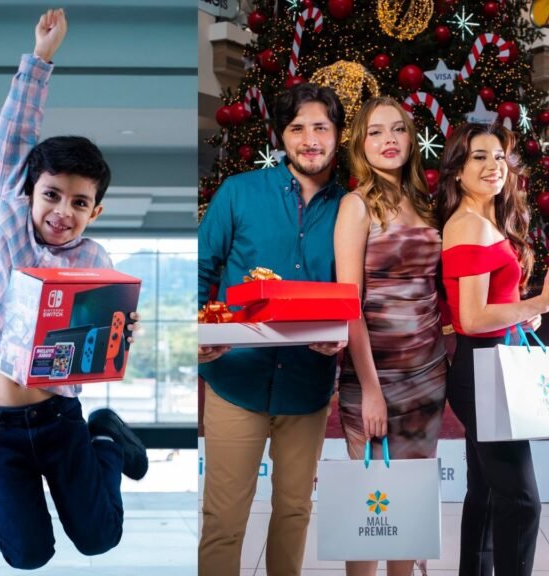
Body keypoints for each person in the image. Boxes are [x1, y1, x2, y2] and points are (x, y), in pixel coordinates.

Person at [0, 9, 144, 570]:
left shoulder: (94, 261)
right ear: (30, 191)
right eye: (52, 194)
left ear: (95, 211)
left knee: (99, 538)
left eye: (79, 203)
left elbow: (96, 347)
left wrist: (119, 334)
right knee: (27, 555)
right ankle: (74, 458)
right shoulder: (7, 218)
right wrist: (41, 58)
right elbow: (14, 133)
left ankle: (106, 440)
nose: (63, 211)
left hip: (59, 417)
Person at [197, 83, 347, 576]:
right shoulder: (239, 192)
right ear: (281, 136)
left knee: (294, 511)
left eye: (320, 127)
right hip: (235, 378)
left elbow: (353, 290)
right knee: (224, 519)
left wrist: (339, 333)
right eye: (297, 128)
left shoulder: (351, 208)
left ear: (338, 135)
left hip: (307, 385)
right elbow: (199, 269)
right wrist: (198, 336)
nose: (310, 139)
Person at [437, 122, 549, 576]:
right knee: (522, 502)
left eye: (498, 156)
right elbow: (472, 318)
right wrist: (544, 302)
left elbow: (489, 308)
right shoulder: (470, 227)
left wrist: (523, 313)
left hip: (487, 366)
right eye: (479, 156)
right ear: (456, 169)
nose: (493, 165)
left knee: (486, 493)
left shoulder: (483, 223)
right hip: (485, 371)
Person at [334, 97, 447, 576]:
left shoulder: (425, 203)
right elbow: (349, 306)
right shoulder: (356, 206)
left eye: (397, 129)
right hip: (374, 375)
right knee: (370, 508)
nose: (389, 140)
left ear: (411, 139)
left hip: (428, 374)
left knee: (408, 511)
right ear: (361, 143)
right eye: (376, 131)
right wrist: (372, 391)